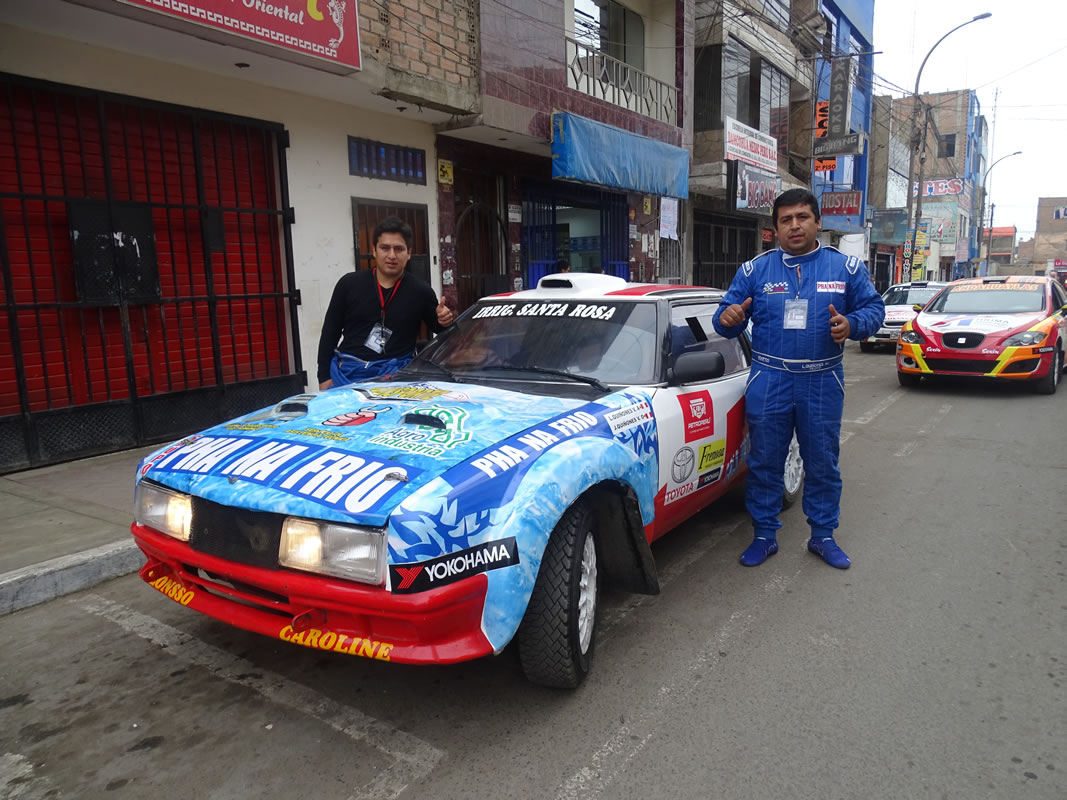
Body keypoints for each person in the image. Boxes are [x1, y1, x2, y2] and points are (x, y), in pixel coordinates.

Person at [712, 189, 885, 569]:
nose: (795, 225)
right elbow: (725, 315)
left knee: (822, 461)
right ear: (774, 228)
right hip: (769, 378)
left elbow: (875, 308)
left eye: (803, 217)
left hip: (822, 380)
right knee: (764, 461)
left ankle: (822, 535)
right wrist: (727, 318)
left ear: (818, 222)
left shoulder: (845, 269)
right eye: (786, 219)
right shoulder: (755, 271)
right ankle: (764, 535)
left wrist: (853, 324)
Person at [317, 216, 453, 389]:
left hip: (398, 377)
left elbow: (441, 331)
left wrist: (444, 320)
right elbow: (330, 331)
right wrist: (324, 377)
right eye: (384, 248)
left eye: (398, 249)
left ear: (409, 253)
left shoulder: (420, 291)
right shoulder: (349, 284)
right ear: (374, 250)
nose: (391, 255)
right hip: (348, 375)